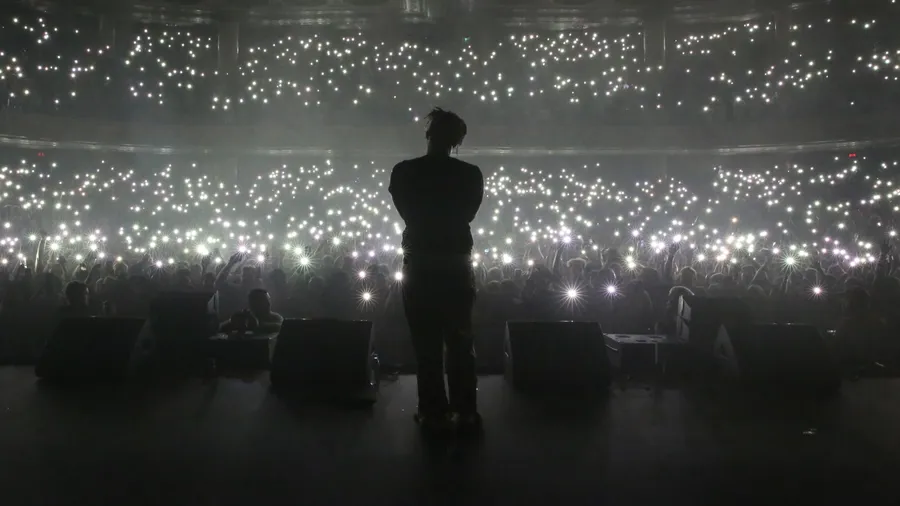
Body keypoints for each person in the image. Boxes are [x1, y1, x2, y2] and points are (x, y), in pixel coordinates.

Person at [389, 107, 484, 437]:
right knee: (460, 340)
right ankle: (465, 410)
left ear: (428, 133)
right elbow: (468, 214)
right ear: (458, 140)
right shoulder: (470, 174)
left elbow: (407, 212)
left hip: (421, 263)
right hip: (456, 263)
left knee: (426, 342)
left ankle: (433, 412)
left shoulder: (404, 172)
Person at [219, 288, 283, 335]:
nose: (268, 304)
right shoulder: (244, 317)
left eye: (268, 300)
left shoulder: (275, 317)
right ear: (252, 303)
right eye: (263, 301)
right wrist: (233, 321)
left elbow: (280, 327)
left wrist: (255, 324)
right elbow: (220, 328)